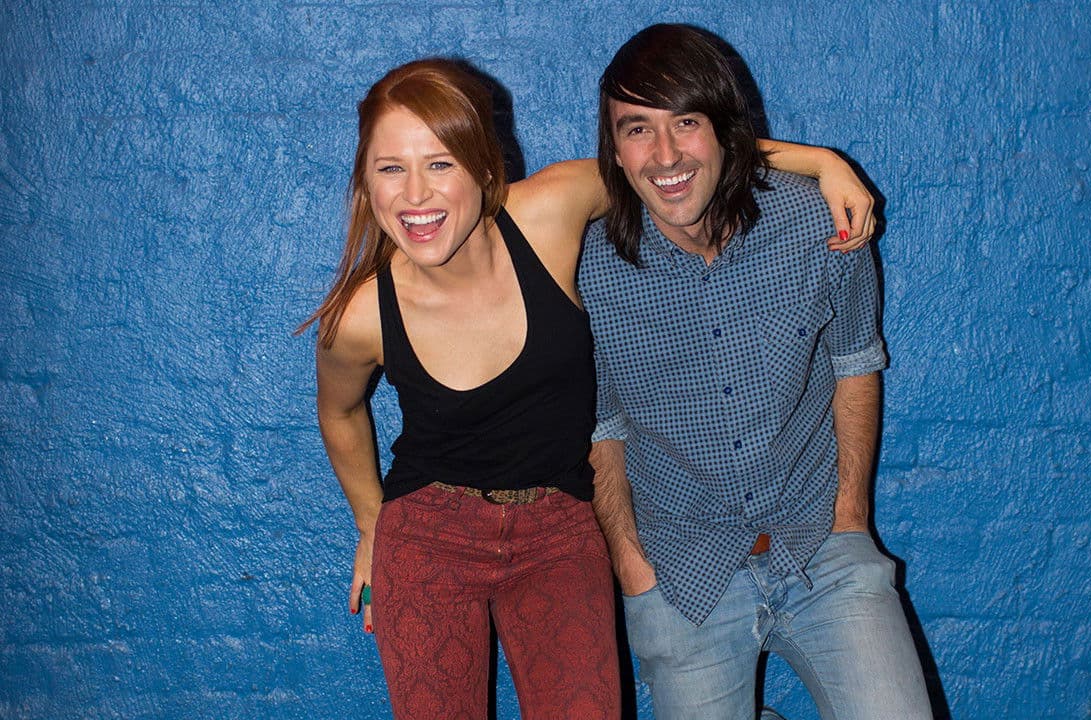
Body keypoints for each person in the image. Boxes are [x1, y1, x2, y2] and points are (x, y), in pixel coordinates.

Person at [299, 58, 878, 719]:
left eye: (440, 163)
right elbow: (339, 412)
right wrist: (371, 524)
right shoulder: (361, 316)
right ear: (364, 183)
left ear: (484, 169)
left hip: (558, 533)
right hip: (428, 538)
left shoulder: (549, 213)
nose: (415, 194)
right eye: (390, 168)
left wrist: (823, 164)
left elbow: (672, 163)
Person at [579, 24, 933, 720]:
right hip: (680, 569)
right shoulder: (590, 266)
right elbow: (602, 426)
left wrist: (851, 517)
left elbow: (856, 362)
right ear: (614, 150)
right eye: (638, 129)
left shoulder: (819, 222)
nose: (665, 154)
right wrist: (631, 566)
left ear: (724, 130)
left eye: (687, 122)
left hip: (820, 542)